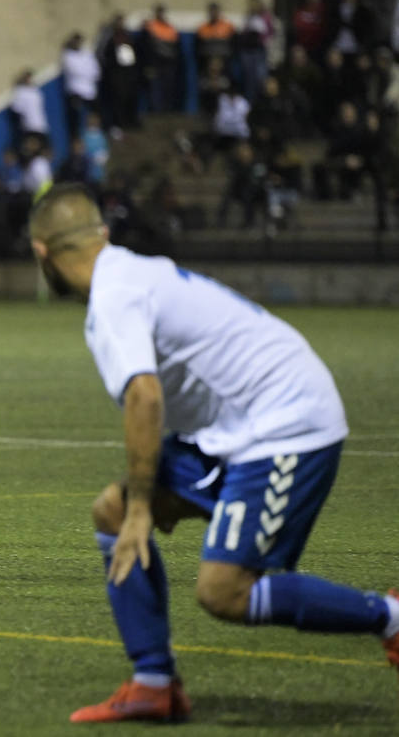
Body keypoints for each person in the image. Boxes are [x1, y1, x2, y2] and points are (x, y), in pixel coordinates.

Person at [27, 184, 399, 725]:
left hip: (286, 425)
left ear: (42, 253)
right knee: (110, 511)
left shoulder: (113, 297)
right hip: (230, 431)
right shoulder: (132, 269)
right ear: (101, 234)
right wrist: (131, 507)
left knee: (225, 591)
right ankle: (153, 683)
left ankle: (390, 617)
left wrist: (142, 510)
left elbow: (144, 395)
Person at [60, 32, 101, 141]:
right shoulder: (67, 56)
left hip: (90, 90)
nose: (78, 43)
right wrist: (88, 73)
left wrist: (89, 74)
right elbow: (76, 72)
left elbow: (95, 70)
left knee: (95, 114)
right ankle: (76, 140)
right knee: (75, 119)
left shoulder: (87, 53)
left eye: (79, 41)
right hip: (75, 91)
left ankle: (95, 139)